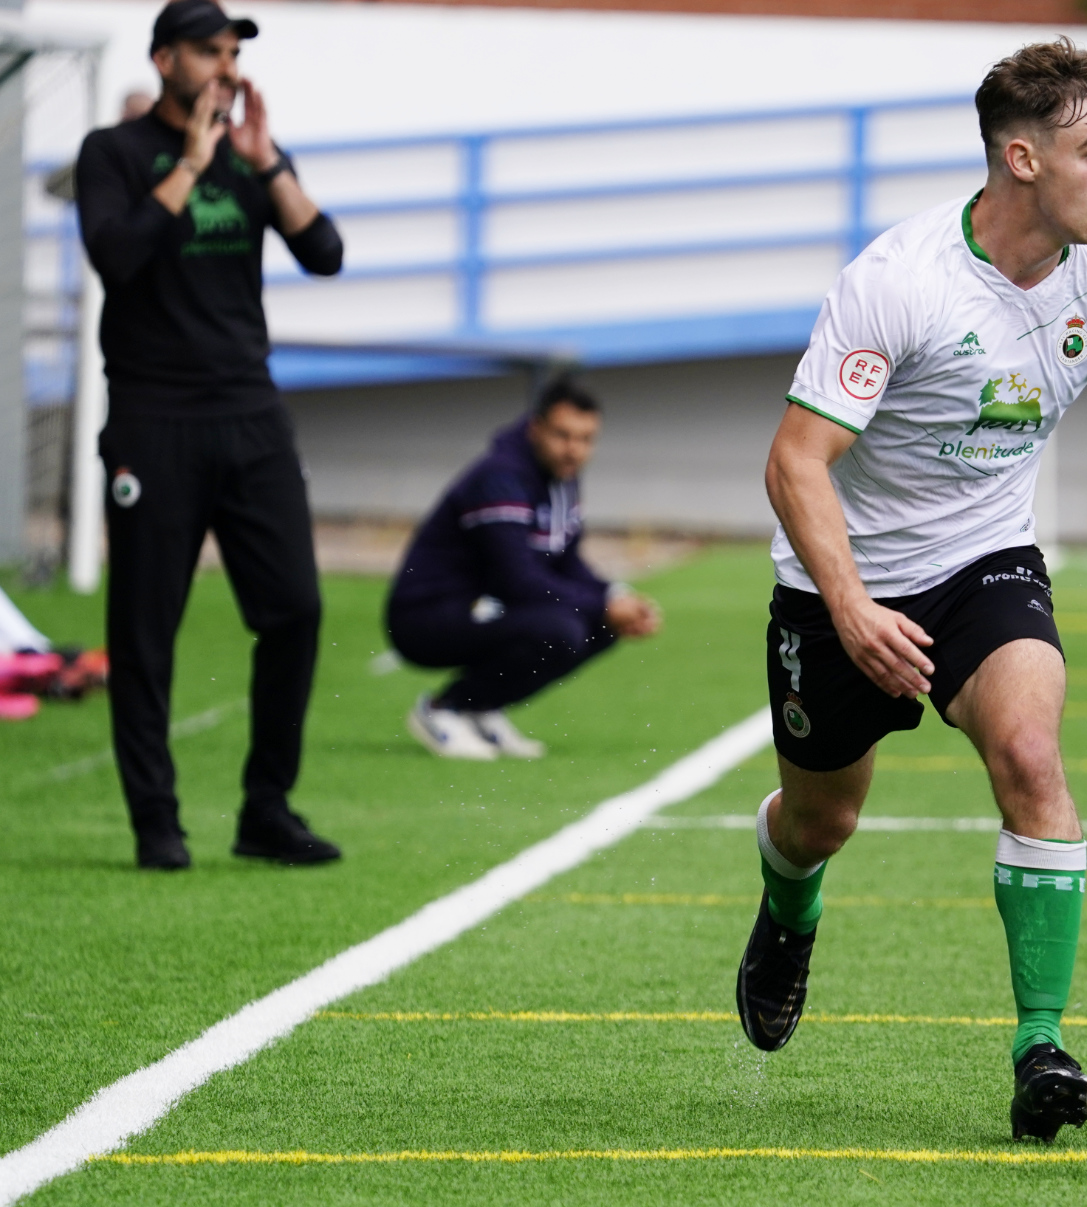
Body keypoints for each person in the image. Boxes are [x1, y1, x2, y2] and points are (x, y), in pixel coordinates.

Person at [736, 38, 1087, 1143]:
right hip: (842, 586)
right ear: (1020, 158)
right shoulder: (898, 283)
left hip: (985, 566)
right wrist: (848, 606)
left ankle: (1040, 1046)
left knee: (1031, 754)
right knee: (821, 820)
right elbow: (795, 461)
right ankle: (787, 909)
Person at [75, 0, 345, 871]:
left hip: (251, 415)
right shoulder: (112, 154)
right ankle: (157, 819)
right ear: (164, 61)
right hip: (154, 421)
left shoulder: (252, 157)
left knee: (297, 610)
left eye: (231, 52)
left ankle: (265, 808)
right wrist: (189, 165)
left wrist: (266, 164)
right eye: (207, 51)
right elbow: (116, 257)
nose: (225, 66)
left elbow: (327, 253)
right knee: (148, 627)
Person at [387, 377, 661, 761]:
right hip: (427, 615)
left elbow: (566, 562)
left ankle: (479, 707)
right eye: (563, 435)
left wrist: (616, 596)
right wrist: (600, 604)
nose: (574, 450)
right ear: (536, 429)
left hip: (486, 606)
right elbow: (515, 579)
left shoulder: (561, 476)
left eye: (586, 439)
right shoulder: (501, 477)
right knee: (560, 629)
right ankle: (444, 709)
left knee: (601, 623)